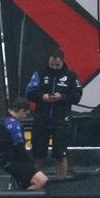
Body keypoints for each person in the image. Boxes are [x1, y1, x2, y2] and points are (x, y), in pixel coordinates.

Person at [25, 48, 82, 178]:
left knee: (60, 154)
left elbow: (77, 96)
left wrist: (61, 97)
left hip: (61, 121)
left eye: (57, 65)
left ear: (62, 62)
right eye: (52, 65)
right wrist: (42, 97)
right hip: (42, 119)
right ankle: (33, 180)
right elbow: (29, 92)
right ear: (48, 61)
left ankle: (61, 182)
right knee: (37, 153)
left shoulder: (71, 76)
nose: (55, 67)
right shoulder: (39, 74)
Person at [0, 97, 48, 190]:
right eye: (25, 113)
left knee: (30, 181)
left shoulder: (3, 119)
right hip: (14, 160)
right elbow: (19, 147)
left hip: (7, 158)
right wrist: (31, 161)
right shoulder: (13, 124)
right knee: (42, 180)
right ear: (21, 110)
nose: (25, 116)